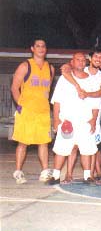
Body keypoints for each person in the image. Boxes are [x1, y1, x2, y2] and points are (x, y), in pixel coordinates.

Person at [47, 52, 99, 185]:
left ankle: (87, 176)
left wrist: (93, 120)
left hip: (85, 121)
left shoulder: (92, 80)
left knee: (86, 149)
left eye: (83, 60)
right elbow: (57, 101)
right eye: (78, 60)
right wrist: (56, 119)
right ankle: (56, 175)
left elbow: (96, 103)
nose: (81, 62)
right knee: (61, 148)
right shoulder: (64, 79)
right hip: (67, 121)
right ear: (72, 61)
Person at [61, 48, 101, 184]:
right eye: (96, 56)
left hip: (93, 116)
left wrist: (86, 94)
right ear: (90, 58)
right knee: (73, 145)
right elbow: (65, 70)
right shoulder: (81, 69)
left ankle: (90, 175)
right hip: (76, 115)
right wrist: (67, 66)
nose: (98, 59)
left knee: (92, 147)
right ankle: (68, 174)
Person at [11, 39, 55, 184]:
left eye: (43, 46)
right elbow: (14, 88)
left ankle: (44, 171)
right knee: (23, 142)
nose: (41, 48)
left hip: (43, 111)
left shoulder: (51, 68)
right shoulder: (25, 65)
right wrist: (20, 107)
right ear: (32, 48)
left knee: (43, 142)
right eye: (38, 46)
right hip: (27, 111)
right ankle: (18, 172)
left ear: (46, 49)